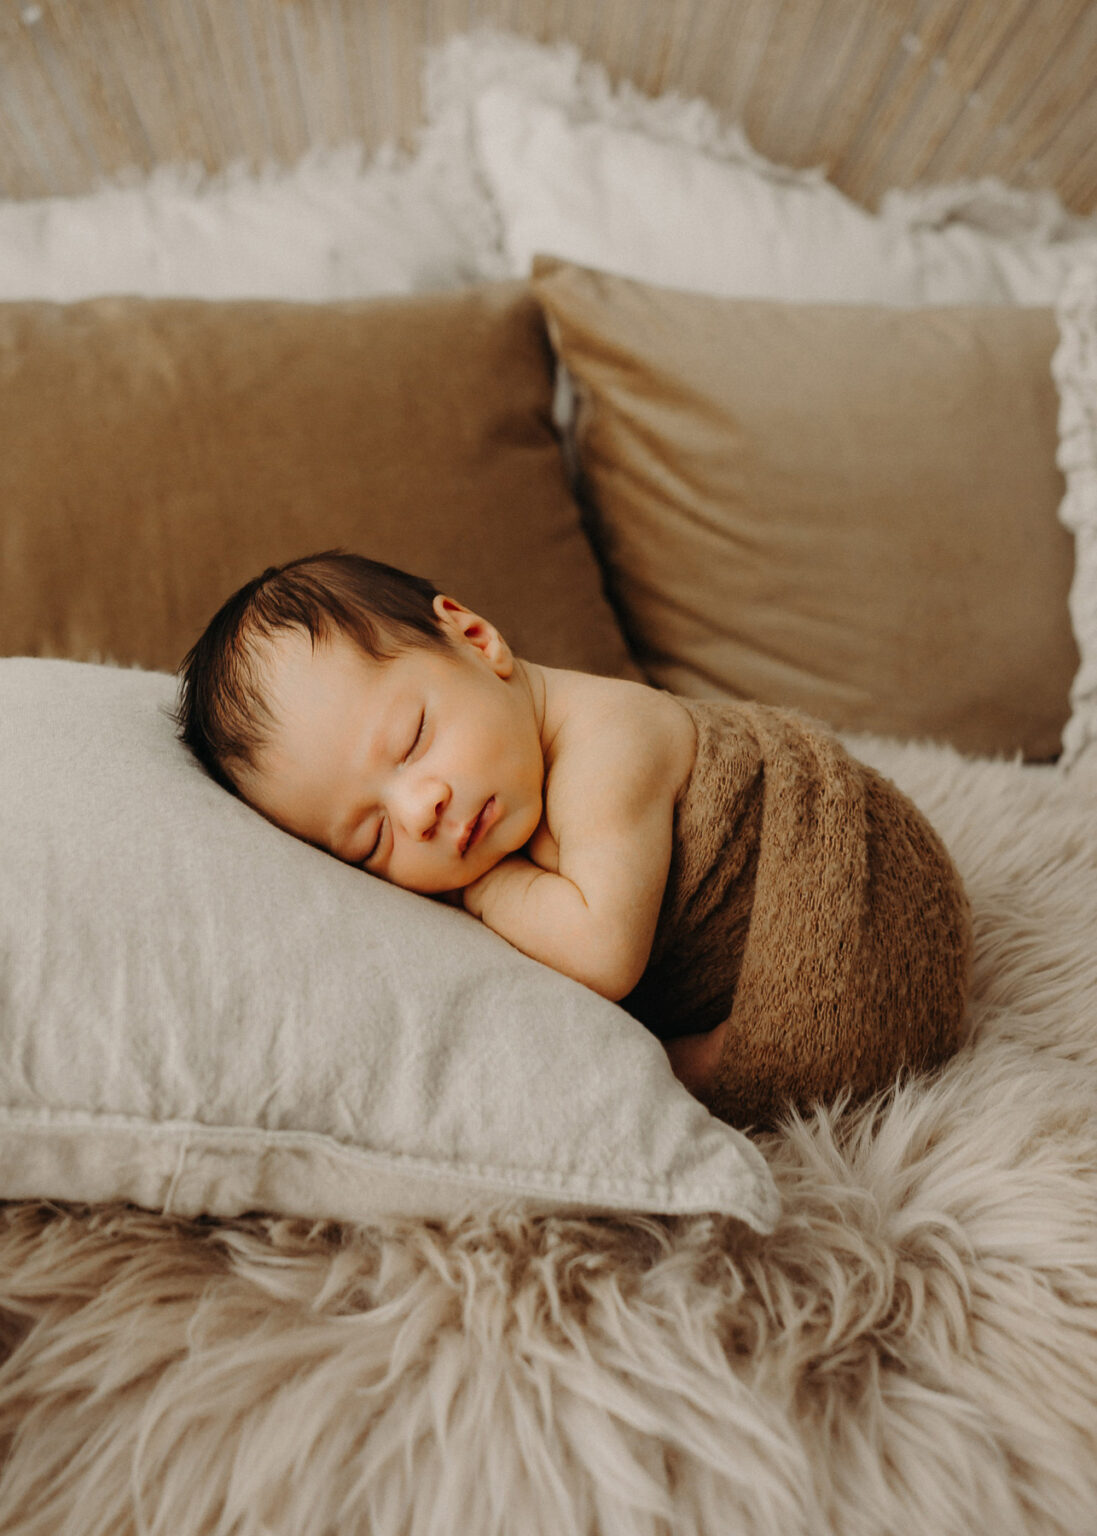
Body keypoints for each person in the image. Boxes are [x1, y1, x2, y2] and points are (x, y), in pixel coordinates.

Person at [176, 550, 972, 1127]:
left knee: (638, 1069)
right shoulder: (498, 782)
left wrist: (487, 890)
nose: (419, 809)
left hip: (856, 936)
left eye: (414, 738)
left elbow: (601, 953)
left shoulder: (608, 742)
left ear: (475, 638)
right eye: (369, 838)